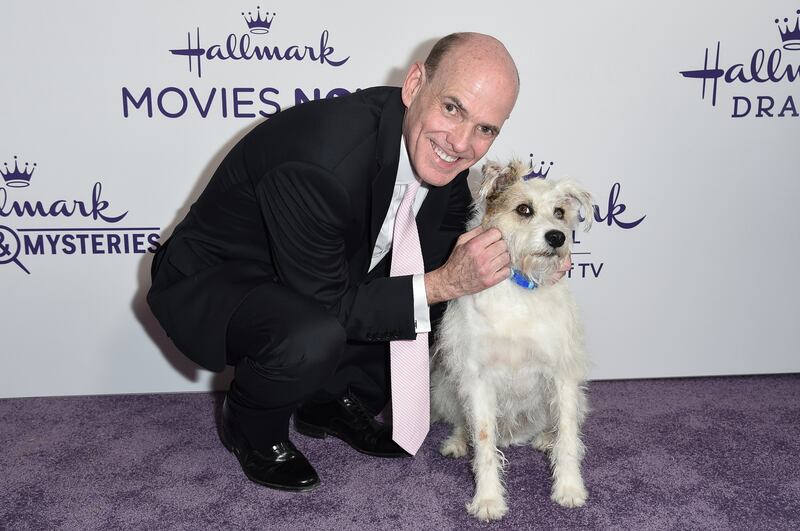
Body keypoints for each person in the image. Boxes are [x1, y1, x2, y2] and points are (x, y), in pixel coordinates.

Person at [147, 32, 522, 491]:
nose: (462, 143)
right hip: (215, 277)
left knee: (427, 282)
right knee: (321, 330)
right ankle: (249, 424)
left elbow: (453, 248)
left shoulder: (435, 150)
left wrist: (529, 258)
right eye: (453, 108)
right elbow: (332, 305)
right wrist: (444, 283)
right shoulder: (324, 160)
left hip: (316, 273)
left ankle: (329, 398)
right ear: (414, 84)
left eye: (486, 129)